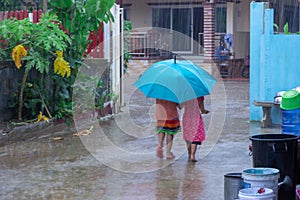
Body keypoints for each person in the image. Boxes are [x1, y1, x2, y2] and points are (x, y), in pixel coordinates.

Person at [182, 96, 209, 162]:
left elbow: (180, 106)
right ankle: (192, 155)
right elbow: (202, 109)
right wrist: (205, 111)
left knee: (188, 136)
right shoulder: (200, 96)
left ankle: (189, 153)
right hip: (196, 118)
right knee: (195, 137)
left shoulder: (185, 96)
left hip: (187, 117)